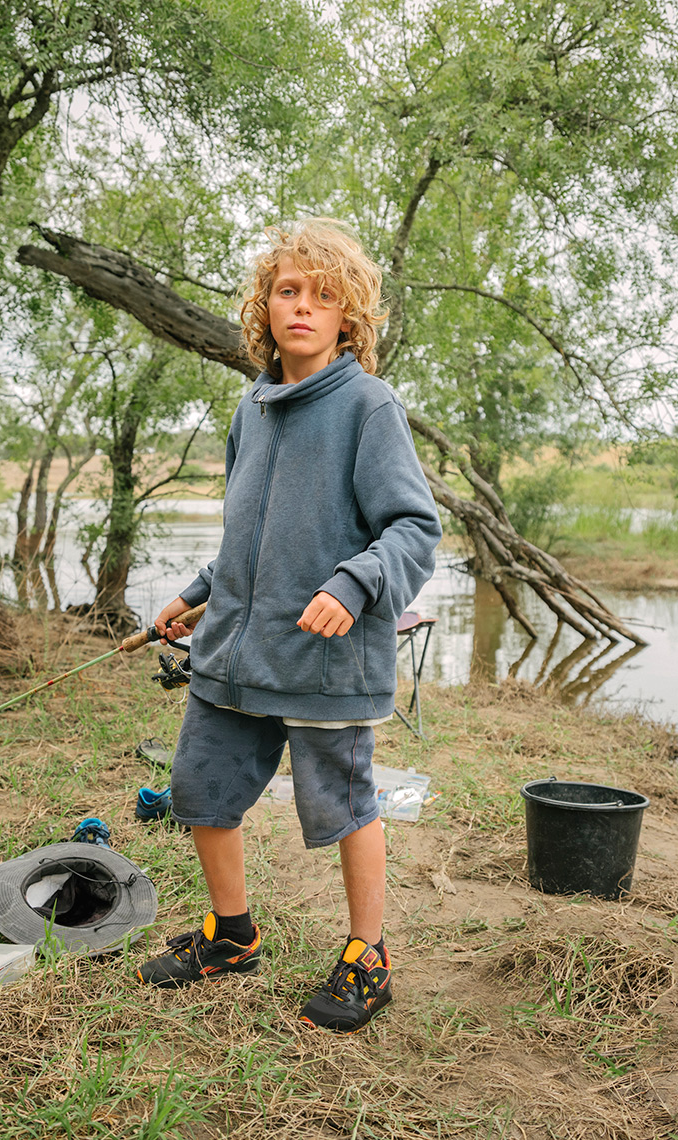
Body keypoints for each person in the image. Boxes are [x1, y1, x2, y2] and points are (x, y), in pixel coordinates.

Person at [136, 218, 441, 1033]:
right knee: (198, 791)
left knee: (343, 805)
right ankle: (231, 937)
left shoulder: (369, 407)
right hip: (236, 648)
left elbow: (413, 528)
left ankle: (366, 958)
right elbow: (249, 532)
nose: (303, 306)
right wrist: (199, 591)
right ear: (264, 308)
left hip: (326, 658)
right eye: (288, 290)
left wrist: (356, 582)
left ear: (350, 318)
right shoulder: (252, 408)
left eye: (324, 295)